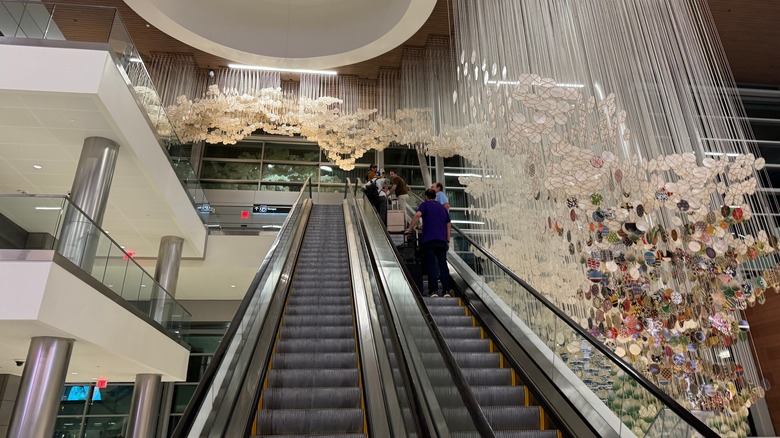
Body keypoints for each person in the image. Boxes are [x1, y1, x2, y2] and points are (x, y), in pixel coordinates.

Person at [405, 189, 452, 297]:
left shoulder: (424, 205)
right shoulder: (442, 208)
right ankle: (446, 290)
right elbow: (448, 225)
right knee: (443, 265)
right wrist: (448, 240)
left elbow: (417, 215)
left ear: (426, 196)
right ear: (435, 197)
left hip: (429, 240)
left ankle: (433, 291)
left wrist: (410, 229)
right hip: (442, 241)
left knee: (431, 265)